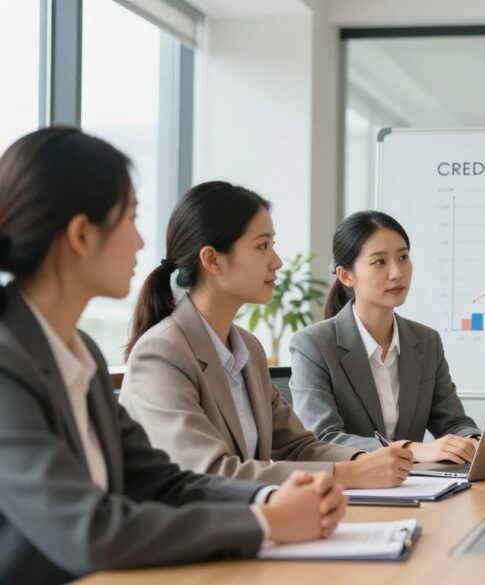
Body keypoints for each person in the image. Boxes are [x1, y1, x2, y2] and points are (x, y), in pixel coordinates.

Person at [0, 127, 344, 585]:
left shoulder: (79, 352)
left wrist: (265, 500)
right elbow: (90, 529)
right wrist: (266, 523)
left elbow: (166, 483)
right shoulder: (8, 363)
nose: (142, 243)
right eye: (130, 219)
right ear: (82, 234)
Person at [121, 182, 413, 488]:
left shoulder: (246, 348)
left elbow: (298, 447)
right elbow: (208, 472)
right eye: (262, 246)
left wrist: (365, 461)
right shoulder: (161, 353)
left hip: (246, 525)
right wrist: (346, 474)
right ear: (212, 260)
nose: (277, 261)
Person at [290, 211, 481, 463]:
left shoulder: (426, 341)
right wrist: (411, 449)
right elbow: (324, 438)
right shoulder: (313, 344)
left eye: (403, 257)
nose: (397, 273)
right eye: (380, 262)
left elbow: (453, 421)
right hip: (352, 491)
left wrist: (472, 442)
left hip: (419, 488)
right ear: (346, 275)